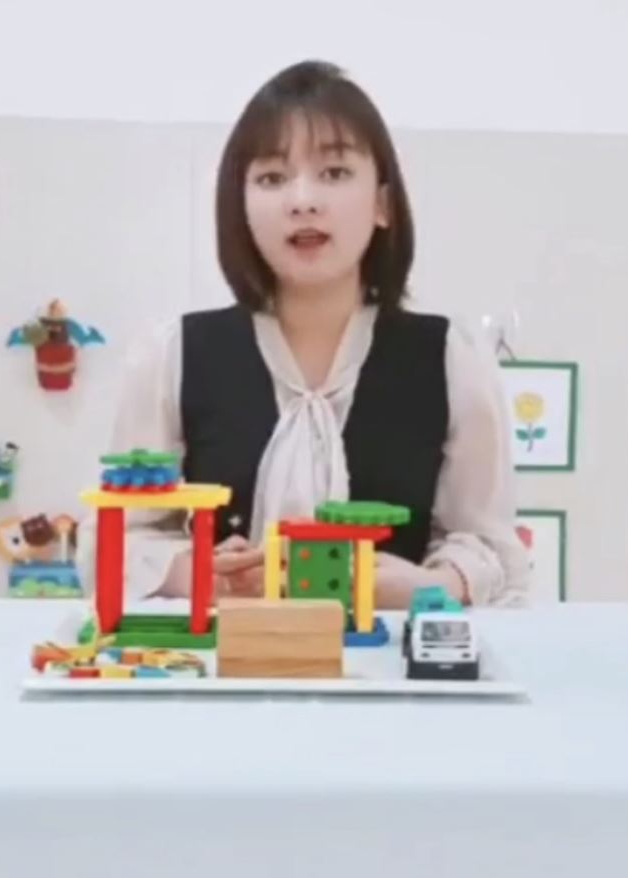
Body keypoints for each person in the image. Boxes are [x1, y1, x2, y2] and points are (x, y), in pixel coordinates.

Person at [84, 59, 529, 609]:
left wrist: (427, 585)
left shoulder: (450, 358)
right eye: (272, 178)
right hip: (224, 659)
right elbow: (117, 537)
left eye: (334, 172)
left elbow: (491, 547)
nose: (302, 200)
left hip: (391, 657)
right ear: (241, 206)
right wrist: (194, 574)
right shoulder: (172, 355)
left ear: (383, 203)